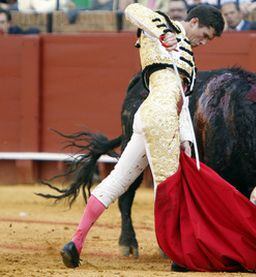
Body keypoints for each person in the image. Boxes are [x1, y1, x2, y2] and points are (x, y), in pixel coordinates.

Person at [59, 3, 225, 270]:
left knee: (117, 181)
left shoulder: (189, 59)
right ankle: (178, 256)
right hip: (159, 117)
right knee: (169, 187)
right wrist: (162, 34)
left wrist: (185, 138)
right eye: (204, 35)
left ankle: (75, 242)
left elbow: (182, 100)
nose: (204, 42)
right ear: (193, 22)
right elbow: (132, 9)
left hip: (151, 116)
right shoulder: (161, 25)